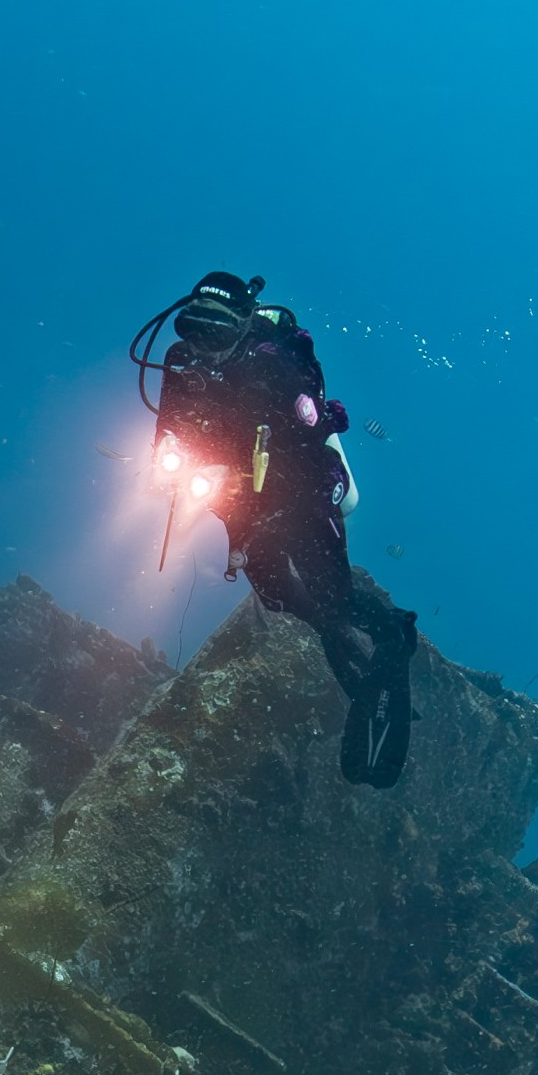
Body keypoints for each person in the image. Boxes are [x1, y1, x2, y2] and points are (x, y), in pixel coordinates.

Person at [132, 270, 420, 786]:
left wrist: (246, 470)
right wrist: (171, 459)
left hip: (299, 488)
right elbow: (168, 427)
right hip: (233, 496)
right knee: (277, 596)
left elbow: (310, 434)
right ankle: (355, 667)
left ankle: (394, 639)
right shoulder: (180, 360)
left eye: (216, 333)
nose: (204, 346)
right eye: (194, 329)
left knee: (334, 596)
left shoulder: (275, 363)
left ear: (242, 329)